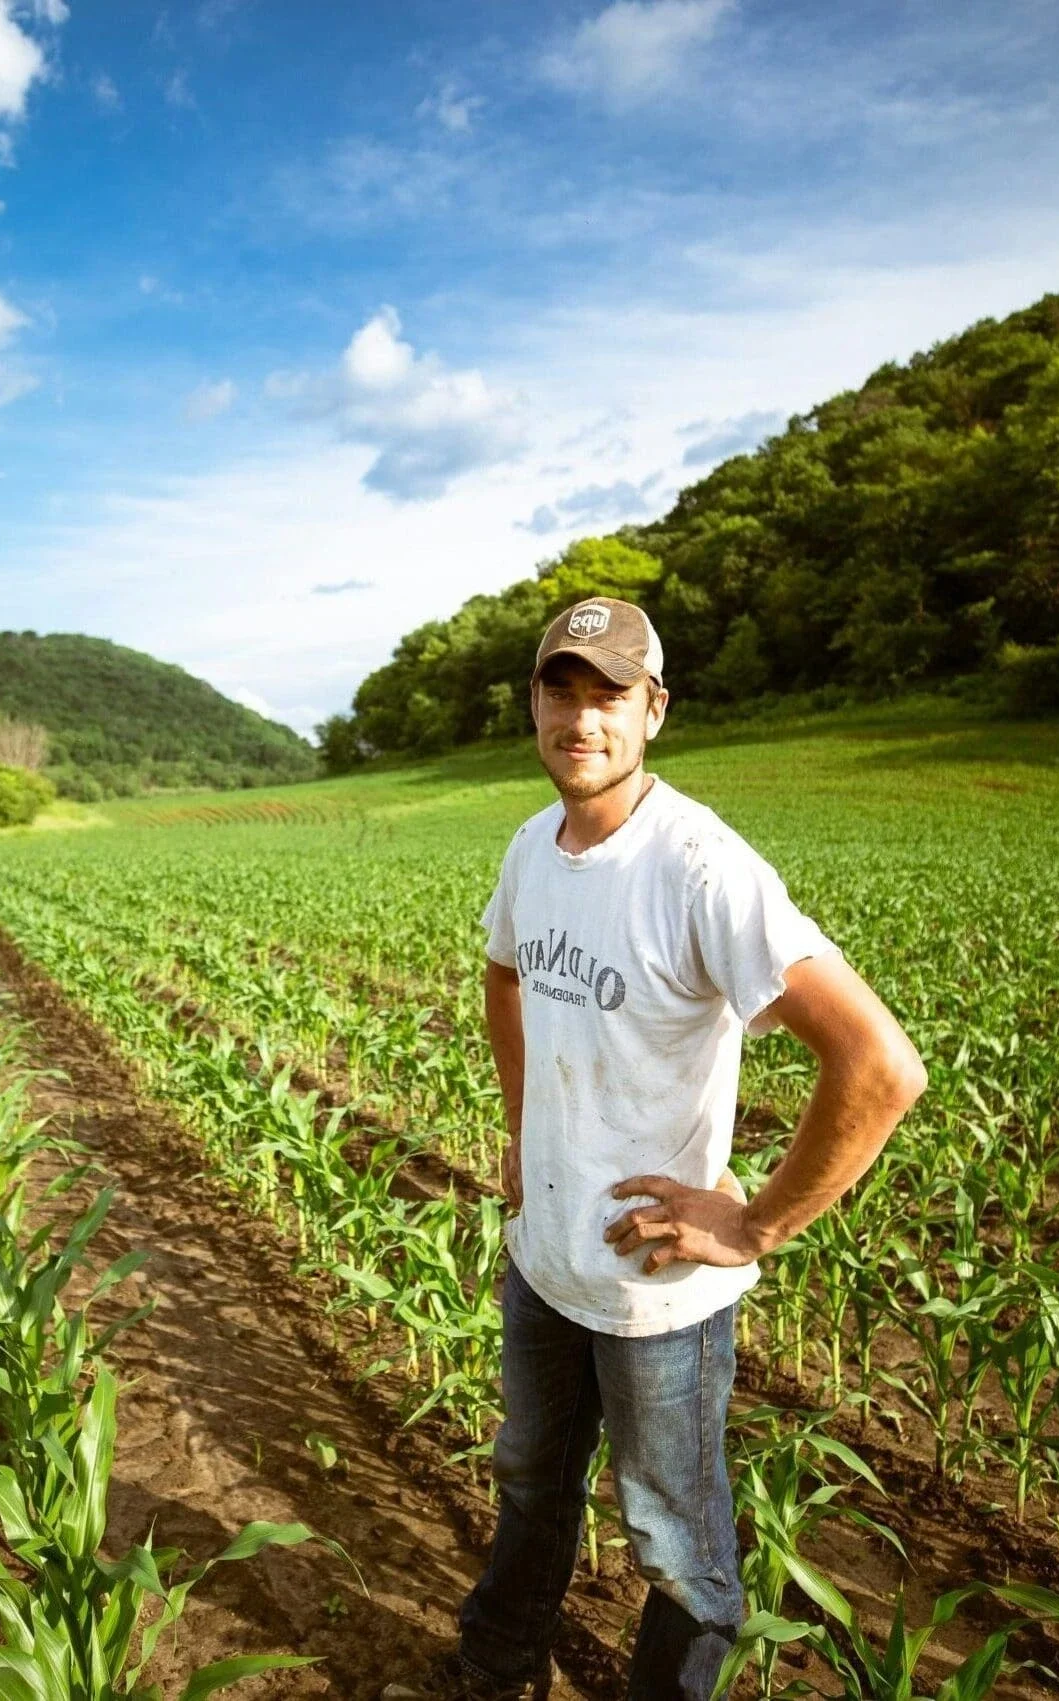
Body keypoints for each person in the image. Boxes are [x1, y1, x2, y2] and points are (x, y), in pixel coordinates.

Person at [382, 597, 926, 1701]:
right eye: (562, 691)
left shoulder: (698, 867)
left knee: (673, 1539)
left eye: (609, 695)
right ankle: (494, 1673)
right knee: (529, 1482)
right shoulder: (531, 847)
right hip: (545, 1258)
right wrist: (522, 1124)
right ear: (533, 703)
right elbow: (503, 974)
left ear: (654, 711)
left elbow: (879, 1065)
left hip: (653, 1289)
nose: (581, 718)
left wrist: (757, 1224)